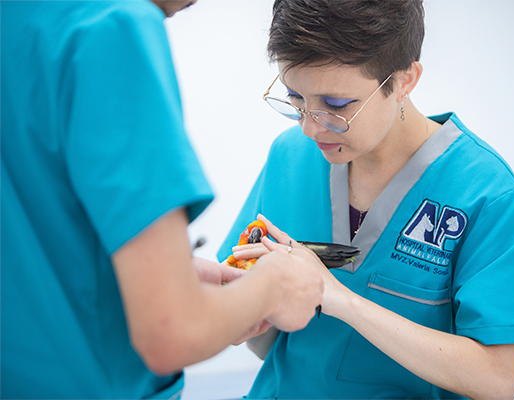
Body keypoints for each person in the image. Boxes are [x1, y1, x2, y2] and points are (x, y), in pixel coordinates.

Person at [218, 0, 514, 399]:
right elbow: (242, 315)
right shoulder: (290, 157)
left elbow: (496, 380)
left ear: (405, 80)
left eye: (336, 106)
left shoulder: (486, 194)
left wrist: (340, 299)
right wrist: (236, 312)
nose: (309, 128)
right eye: (296, 99)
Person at [1, 0, 324, 398]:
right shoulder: (111, 29)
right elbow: (173, 332)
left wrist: (164, 277)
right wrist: (274, 285)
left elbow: (36, 239)